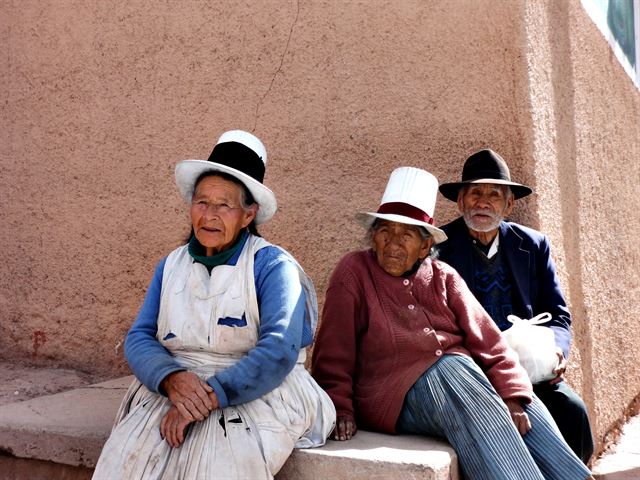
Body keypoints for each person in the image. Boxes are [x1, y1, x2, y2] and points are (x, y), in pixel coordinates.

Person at [311, 166, 592, 480]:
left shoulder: (443, 276)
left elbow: (489, 343)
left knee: (523, 404)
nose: (393, 243)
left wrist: (513, 395)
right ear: (373, 238)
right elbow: (334, 351)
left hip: (458, 379)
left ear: (424, 247)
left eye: (406, 235)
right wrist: (340, 407)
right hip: (391, 393)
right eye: (385, 231)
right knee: (457, 372)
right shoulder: (353, 271)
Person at [93, 130, 335, 480]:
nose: (210, 215)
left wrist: (208, 397)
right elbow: (140, 336)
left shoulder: (273, 266)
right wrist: (172, 379)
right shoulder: (171, 265)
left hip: (254, 389)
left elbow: (278, 351)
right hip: (178, 384)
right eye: (202, 202)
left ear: (249, 215)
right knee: (125, 462)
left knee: (218, 465)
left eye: (225, 205)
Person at [437, 149, 594, 464]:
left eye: (494, 194)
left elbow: (558, 315)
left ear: (509, 204)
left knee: (572, 412)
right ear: (460, 202)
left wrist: (558, 350)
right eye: (475, 193)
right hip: (474, 371)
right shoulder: (440, 248)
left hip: (531, 369)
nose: (483, 202)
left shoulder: (533, 246)